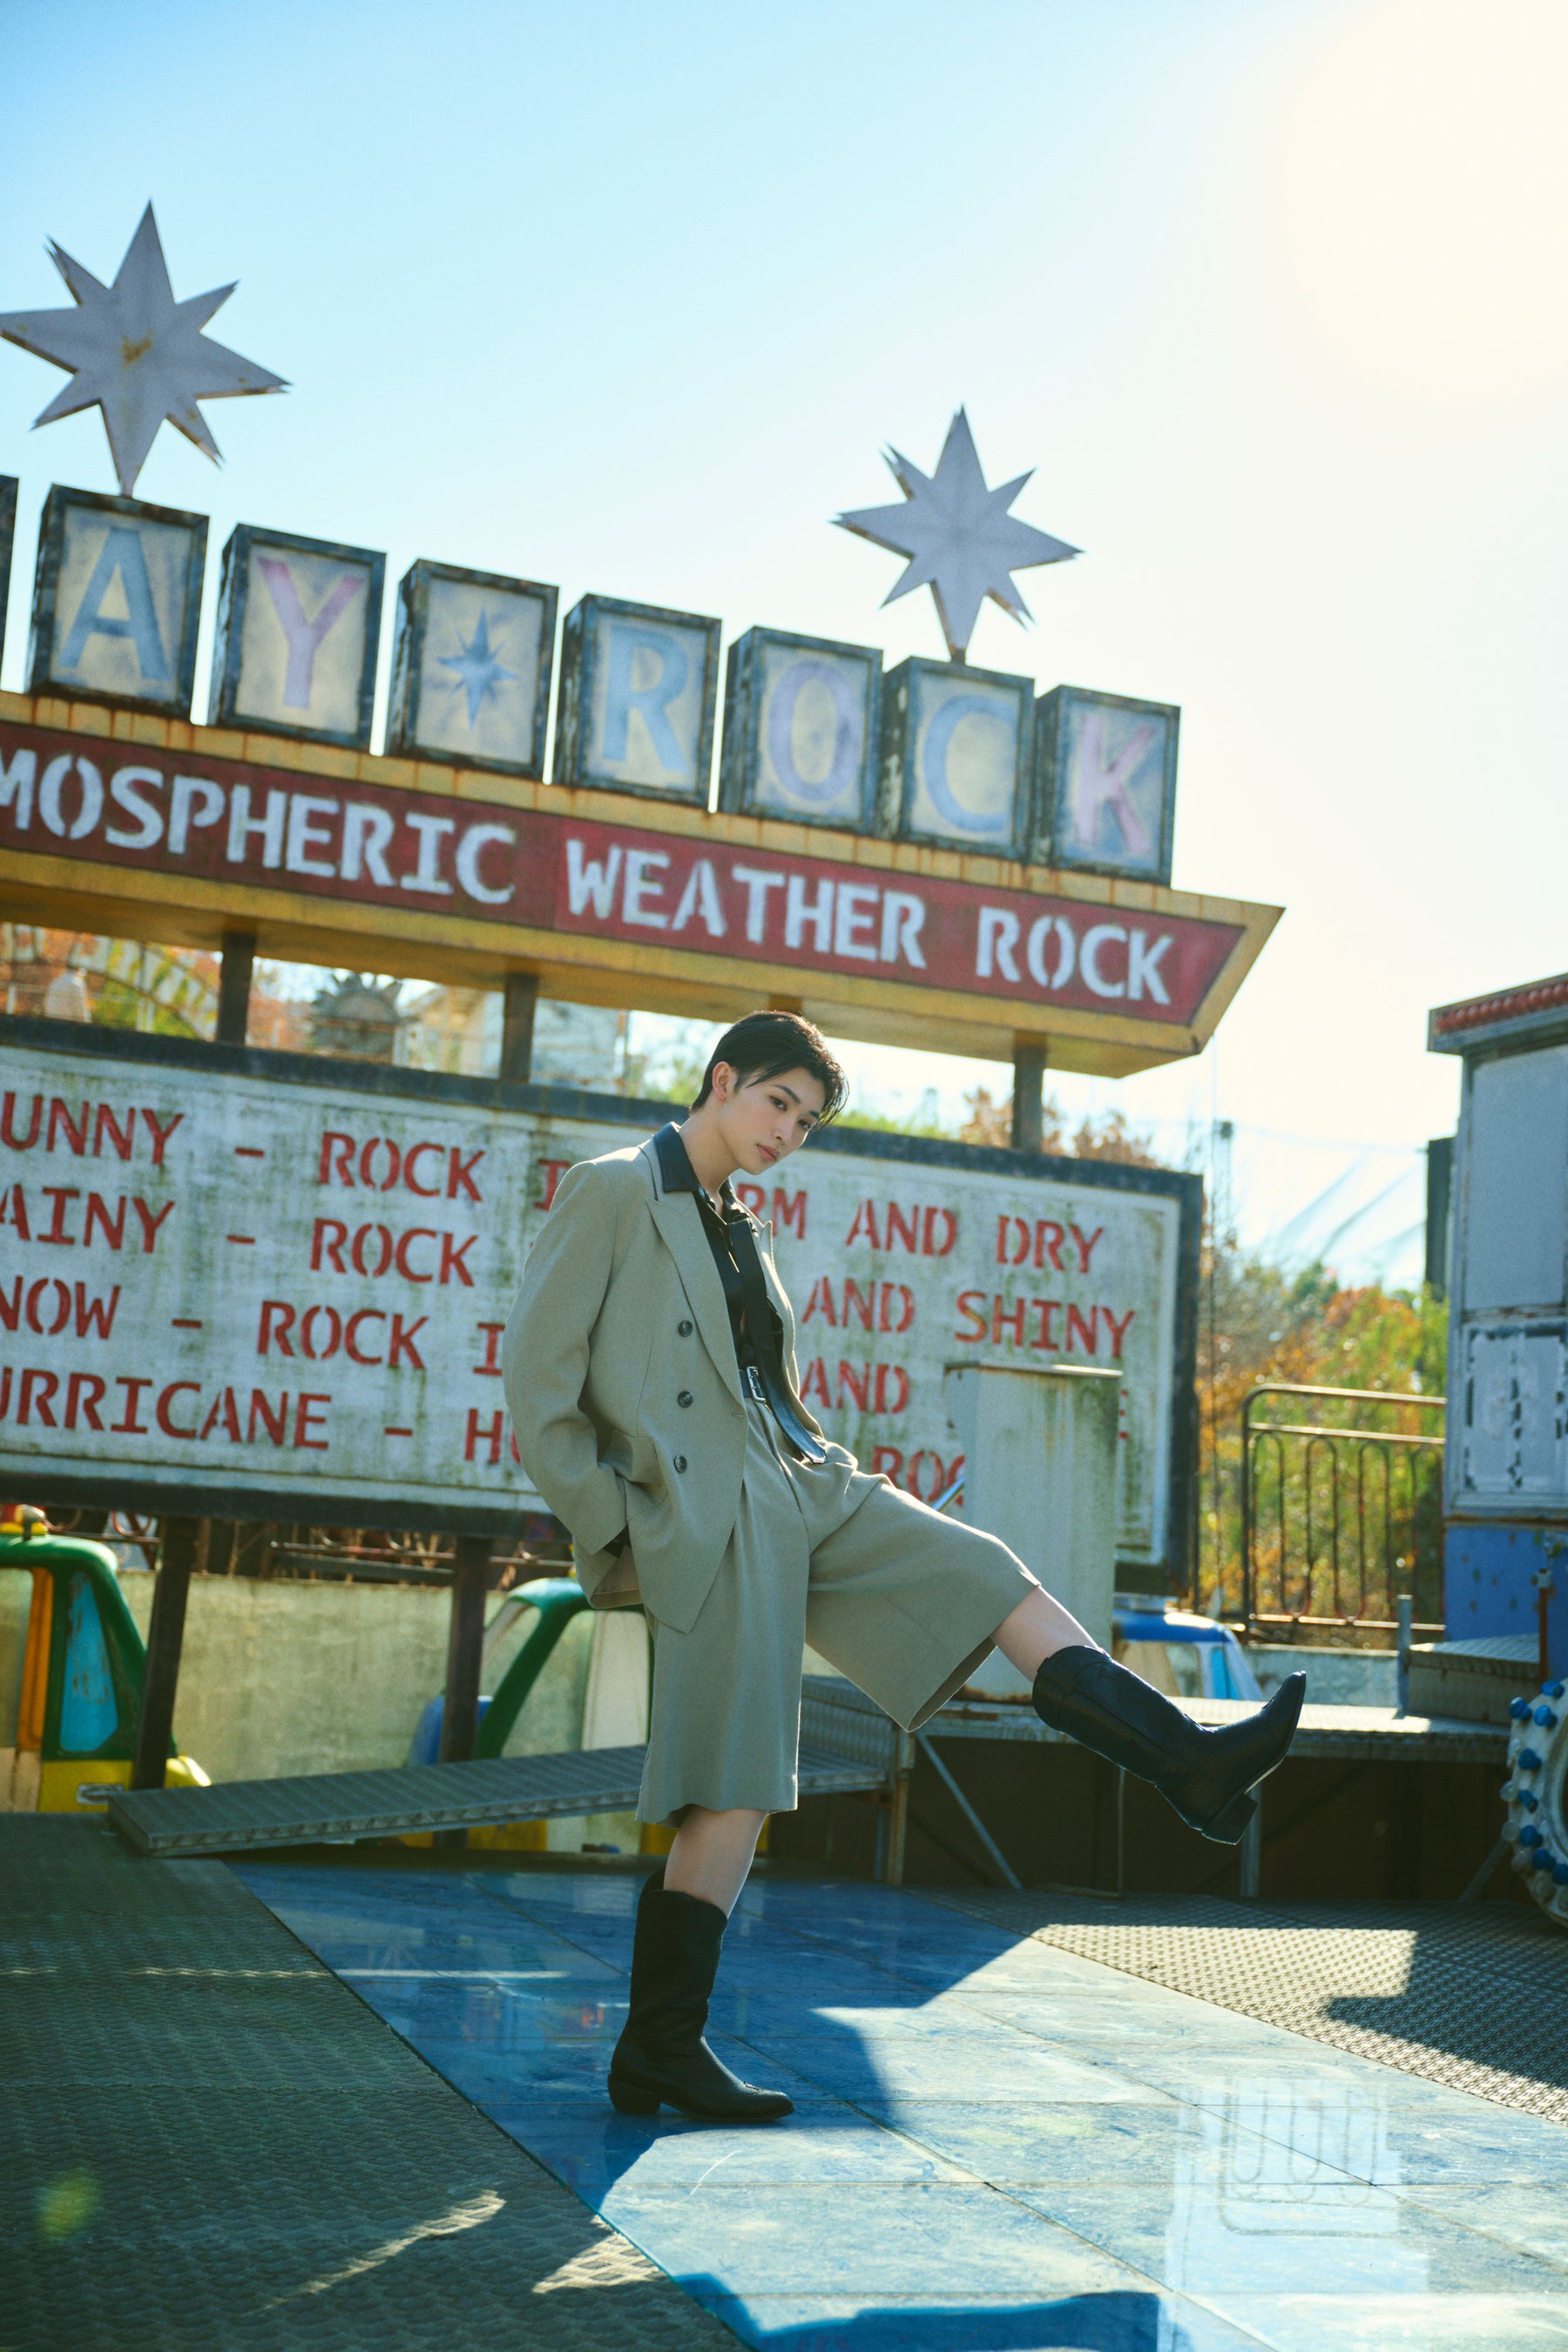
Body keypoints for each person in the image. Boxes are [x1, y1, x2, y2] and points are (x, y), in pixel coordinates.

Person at [503, 1010, 1302, 2126]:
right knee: (737, 1785)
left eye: (807, 1121)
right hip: (710, 1517)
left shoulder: (741, 1223)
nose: (789, 1132)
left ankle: (1188, 1761)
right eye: (779, 1103)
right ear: (722, 1080)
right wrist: (629, 1529)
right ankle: (659, 2052)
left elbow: (758, 1381)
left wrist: (809, 1457)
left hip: (804, 1482)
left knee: (988, 1574)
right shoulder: (613, 1190)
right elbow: (537, 1387)